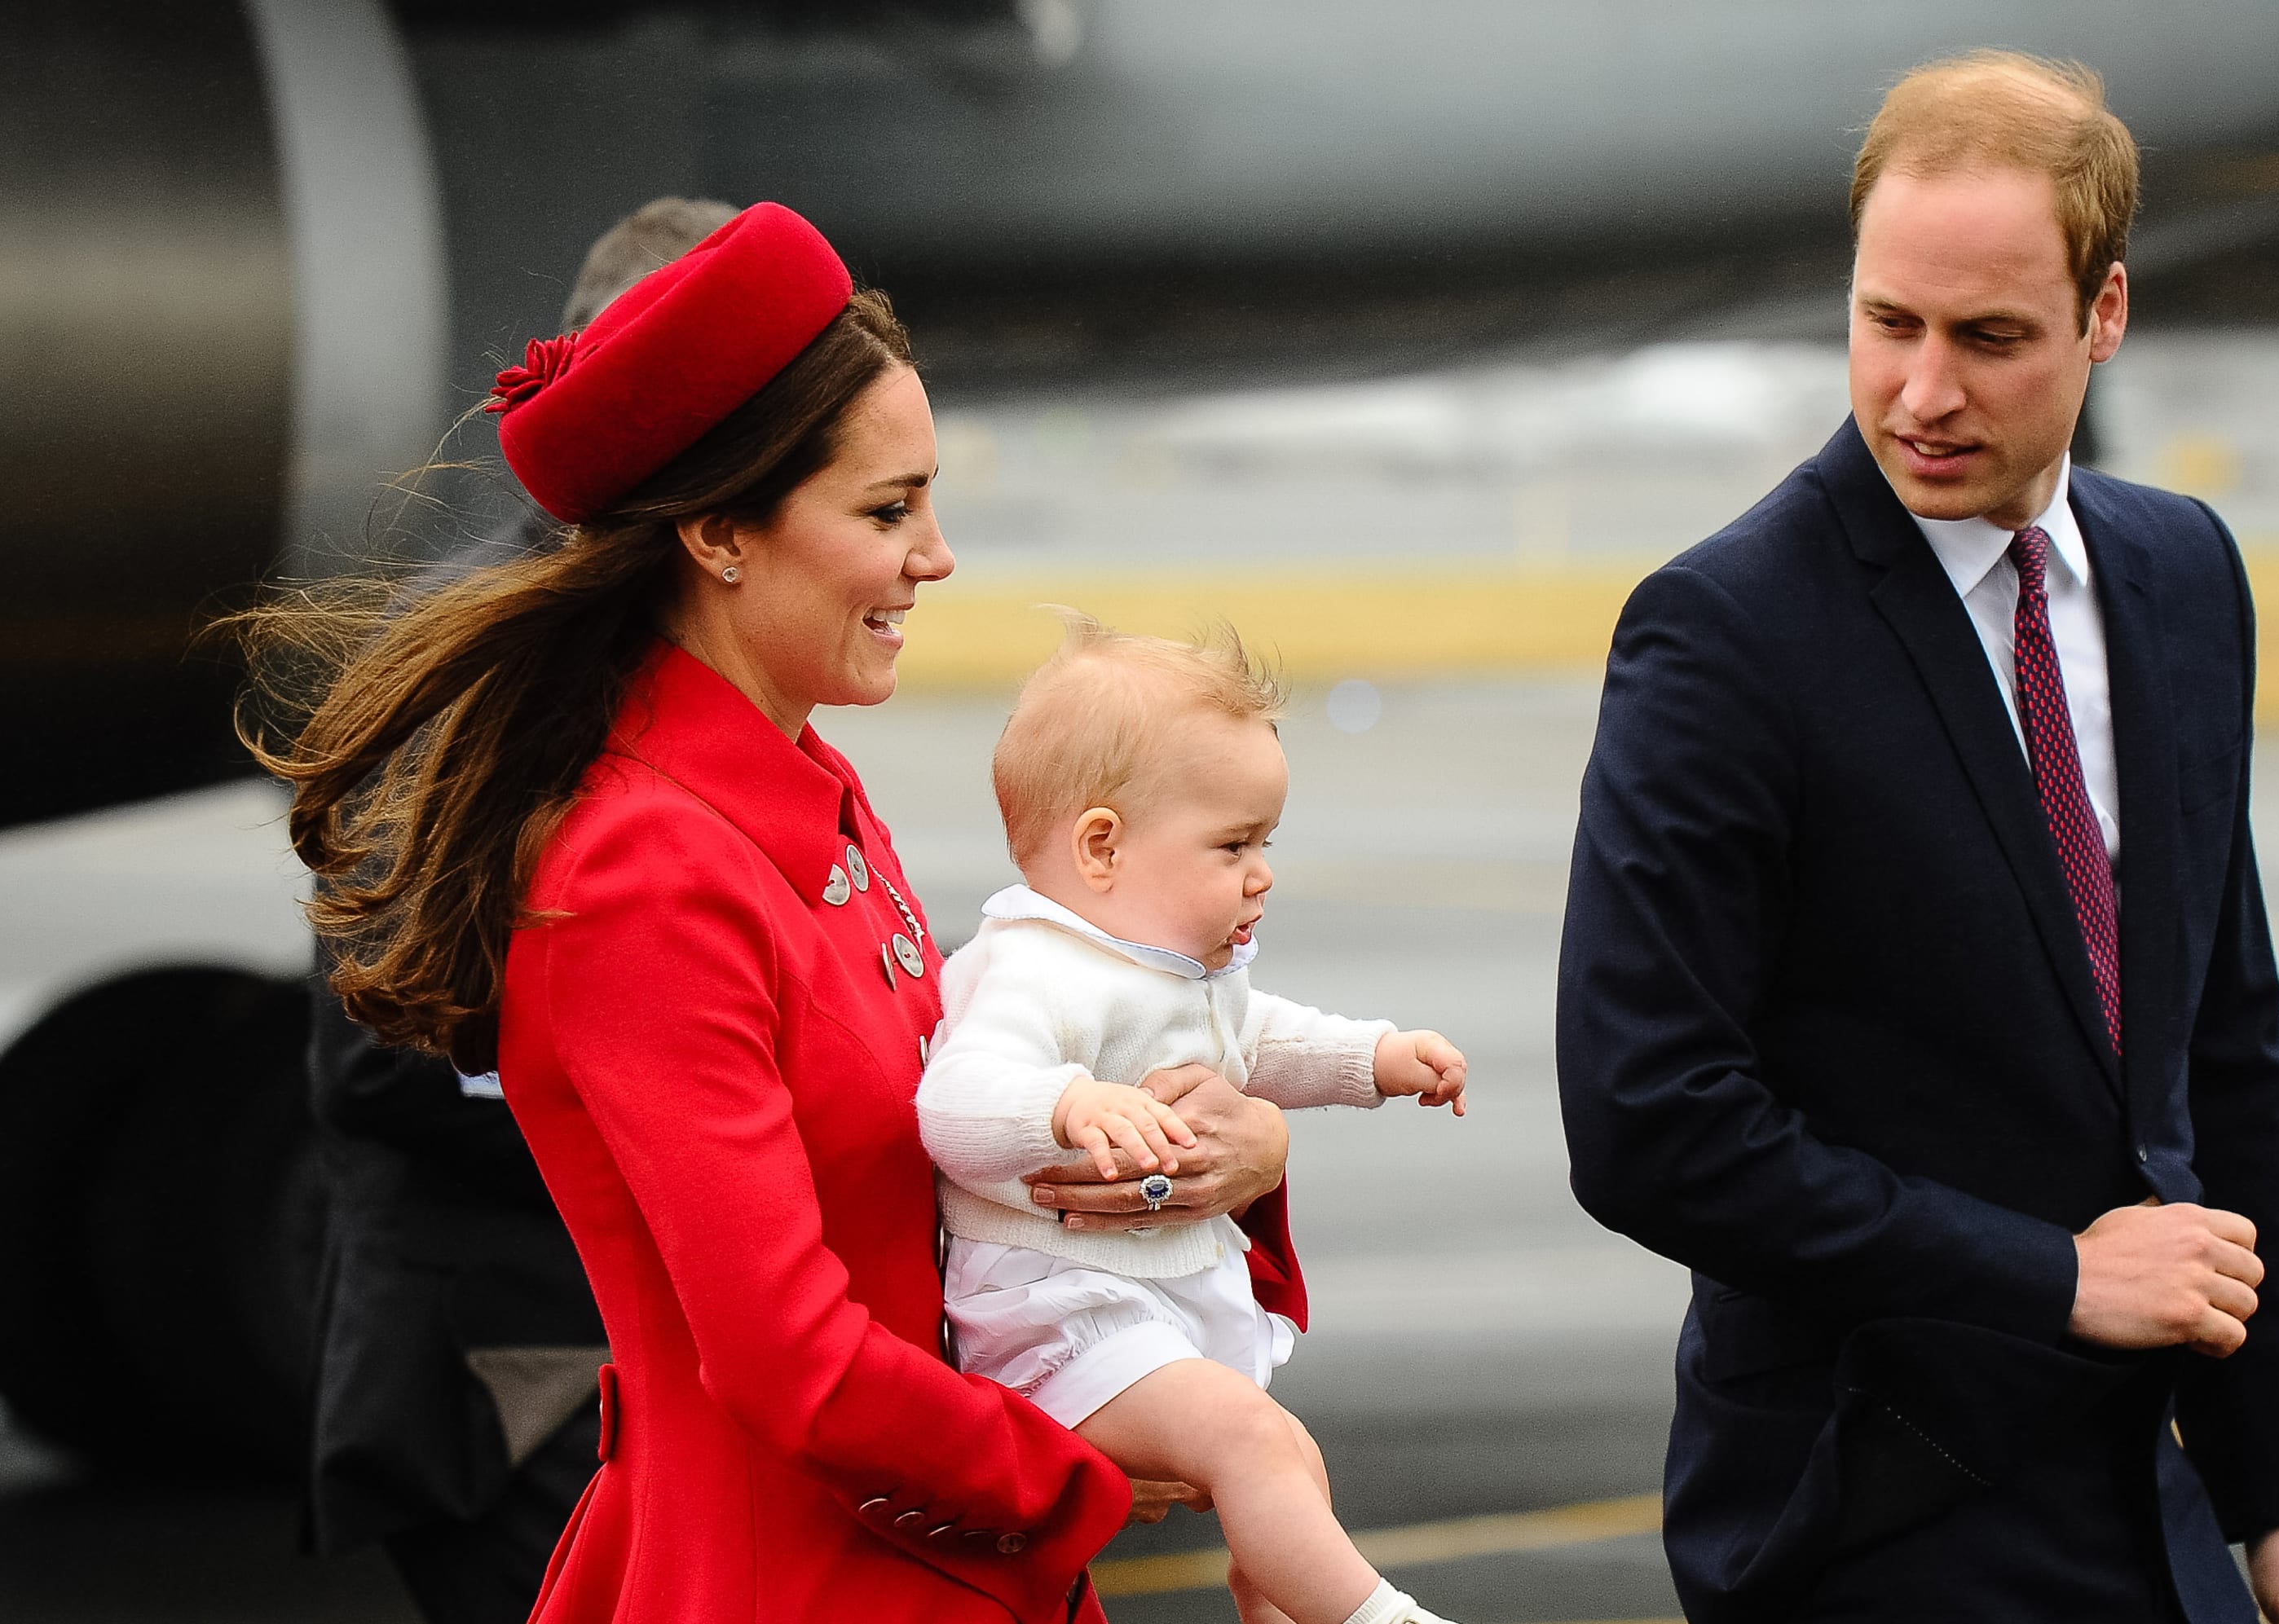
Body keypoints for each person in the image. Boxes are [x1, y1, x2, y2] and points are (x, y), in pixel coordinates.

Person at [247, 200, 1292, 1622]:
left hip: (919, 1556)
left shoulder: (809, 791)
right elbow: (787, 1356)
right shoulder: (645, 870)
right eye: (886, 509)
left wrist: (1223, 1143)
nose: (936, 556)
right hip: (799, 1577)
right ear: (722, 533)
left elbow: (947, 1143)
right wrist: (1063, 1472)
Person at [1557, 53, 2279, 1624]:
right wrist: (2059, 1274)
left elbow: (2226, 1046)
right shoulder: (1723, 632)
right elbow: (1648, 1119)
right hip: (1871, 1506)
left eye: (1990, 339)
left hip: (2155, 1512)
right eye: (1888, 324)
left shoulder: (2184, 570)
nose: (1924, 392)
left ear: (2105, 314)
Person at [301, 194, 739, 1624]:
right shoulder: (486, 652)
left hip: (625, 1362)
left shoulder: (676, 633)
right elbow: (382, 1048)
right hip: (526, 1374)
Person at [917, 618, 1470, 1624]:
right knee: (1252, 1443)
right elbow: (951, 1105)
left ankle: (1279, 1609)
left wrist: (1378, 1060)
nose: (1263, 872)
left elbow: (1265, 1040)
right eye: (1234, 844)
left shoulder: (1181, 966)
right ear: (1102, 846)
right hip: (1057, 1314)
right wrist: (1068, 1102)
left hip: (1151, 1297)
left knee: (1289, 1454)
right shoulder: (1036, 967)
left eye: (1267, 841)